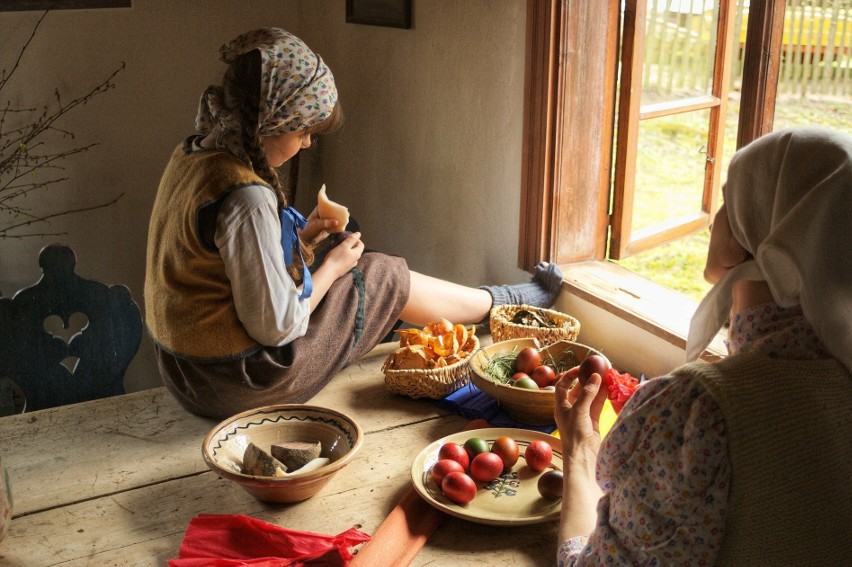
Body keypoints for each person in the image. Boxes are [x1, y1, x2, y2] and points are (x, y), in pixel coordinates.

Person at [144, 28, 563, 420]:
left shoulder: (192, 155)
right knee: (379, 273)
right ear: (271, 122)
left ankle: (490, 305)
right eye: (305, 130)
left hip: (184, 373)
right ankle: (504, 305)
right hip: (236, 383)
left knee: (361, 273)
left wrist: (305, 237)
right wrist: (332, 268)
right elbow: (277, 327)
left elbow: (220, 268)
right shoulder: (246, 196)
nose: (308, 142)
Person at [554, 126, 852, 566]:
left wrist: (579, 447)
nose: (714, 217)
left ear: (759, 236)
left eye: (731, 200)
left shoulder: (701, 414)